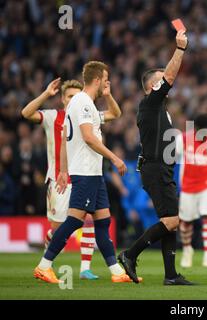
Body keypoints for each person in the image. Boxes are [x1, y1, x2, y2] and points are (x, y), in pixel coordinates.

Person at [33, 61, 132, 284]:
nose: (108, 81)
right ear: (96, 79)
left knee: (103, 222)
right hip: (85, 172)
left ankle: (116, 272)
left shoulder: (83, 104)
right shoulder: (83, 103)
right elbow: (88, 137)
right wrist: (114, 157)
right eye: (105, 78)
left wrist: (64, 170)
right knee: (74, 222)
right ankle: (44, 265)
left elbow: (67, 139)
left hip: (94, 173)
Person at [117, 30, 193, 285]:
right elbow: (170, 75)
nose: (168, 83)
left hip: (162, 168)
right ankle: (130, 253)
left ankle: (171, 275)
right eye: (161, 81)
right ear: (153, 86)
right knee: (172, 220)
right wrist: (180, 49)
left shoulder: (160, 110)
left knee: (169, 221)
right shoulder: (149, 103)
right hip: (156, 168)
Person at [22, 79, 113, 280]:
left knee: (88, 219)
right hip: (58, 180)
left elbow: (114, 114)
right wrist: (46, 94)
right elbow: (26, 113)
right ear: (63, 99)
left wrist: (107, 95)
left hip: (83, 176)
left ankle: (85, 269)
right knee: (60, 228)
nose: (74, 99)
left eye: (76, 95)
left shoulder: (87, 114)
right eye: (70, 96)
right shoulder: (53, 116)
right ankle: (49, 250)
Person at [176, 113, 207, 268]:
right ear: (195, 128)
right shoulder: (182, 139)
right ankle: (187, 251)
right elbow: (176, 160)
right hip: (187, 186)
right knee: (186, 221)